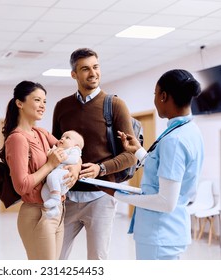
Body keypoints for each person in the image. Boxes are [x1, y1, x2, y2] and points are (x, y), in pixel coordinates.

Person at [102, 69, 204, 260]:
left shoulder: (174, 140)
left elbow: (165, 202)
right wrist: (138, 150)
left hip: (160, 233)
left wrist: (116, 194)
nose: (155, 100)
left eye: (155, 94)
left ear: (164, 96)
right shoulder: (189, 130)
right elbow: (163, 170)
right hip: (169, 232)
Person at [52, 48, 137, 260]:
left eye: (96, 67)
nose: (93, 73)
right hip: (67, 198)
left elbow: (131, 156)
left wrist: (101, 168)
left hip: (101, 198)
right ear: (74, 74)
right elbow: (55, 151)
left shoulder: (115, 105)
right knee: (54, 257)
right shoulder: (62, 107)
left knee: (97, 261)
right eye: (85, 69)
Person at [0, 80, 80, 260]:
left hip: (58, 210)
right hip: (36, 213)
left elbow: (72, 149)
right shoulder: (17, 139)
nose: (43, 105)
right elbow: (22, 186)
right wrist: (50, 165)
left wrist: (76, 166)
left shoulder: (41, 133)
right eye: (37, 100)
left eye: (45, 101)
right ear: (20, 103)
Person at [41, 130, 84, 218]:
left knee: (51, 177)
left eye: (67, 138)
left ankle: (55, 198)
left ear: (76, 145)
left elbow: (74, 160)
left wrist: (59, 157)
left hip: (64, 176)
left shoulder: (74, 150)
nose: (62, 139)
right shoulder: (58, 149)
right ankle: (54, 208)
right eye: (62, 137)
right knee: (44, 191)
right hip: (57, 181)